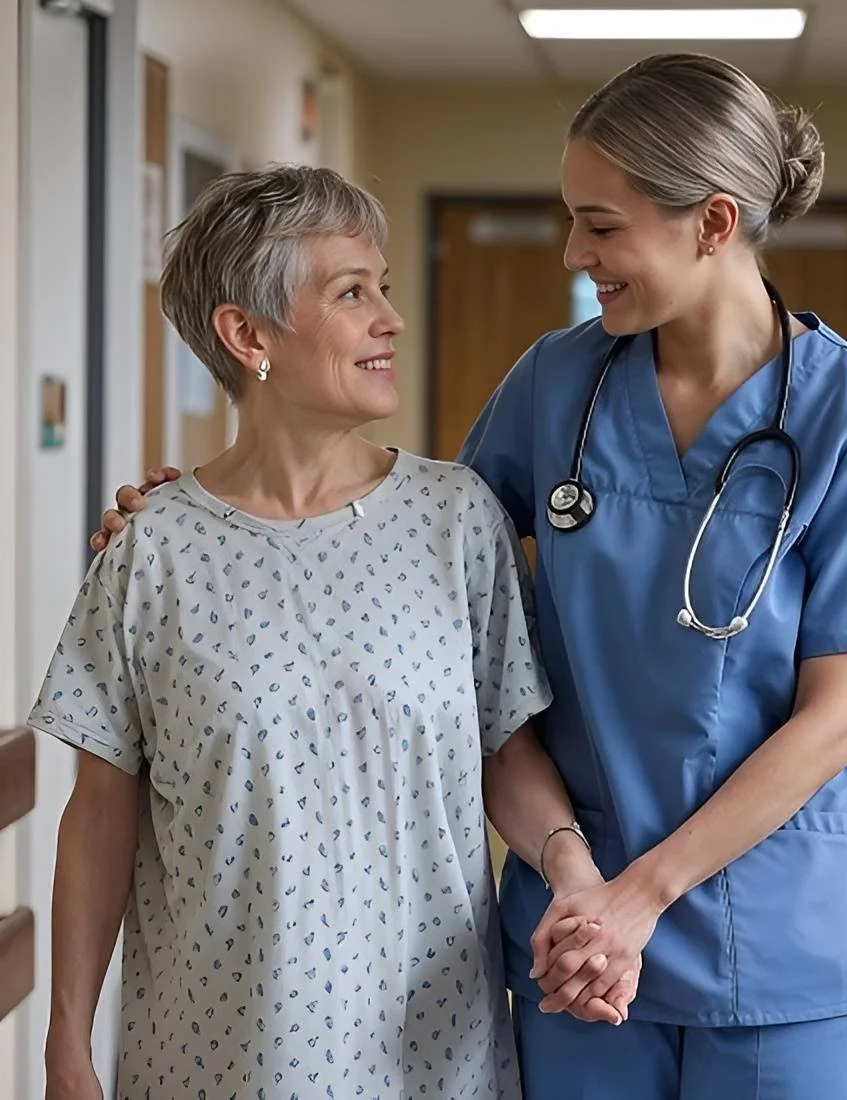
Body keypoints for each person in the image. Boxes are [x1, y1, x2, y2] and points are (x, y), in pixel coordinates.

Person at [95, 54, 847, 1099]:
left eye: (601, 225)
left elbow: (833, 721)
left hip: (773, 934)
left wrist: (635, 900)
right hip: (572, 930)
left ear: (714, 223)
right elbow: (406, 546)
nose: (574, 250)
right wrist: (199, 521)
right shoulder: (557, 382)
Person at [33, 165, 627, 1100]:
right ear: (248, 335)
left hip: (431, 1049)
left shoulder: (455, 518)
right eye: (353, 293)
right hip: (216, 1053)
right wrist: (66, 1045)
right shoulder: (151, 550)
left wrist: (572, 869)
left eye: (384, 287)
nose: (390, 318)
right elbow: (99, 815)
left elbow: (505, 749)